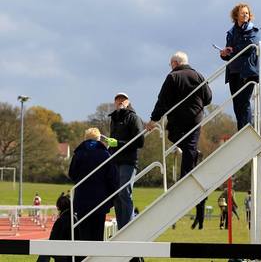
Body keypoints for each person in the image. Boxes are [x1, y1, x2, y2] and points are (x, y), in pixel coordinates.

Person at [146, 51, 212, 178]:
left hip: (178, 119)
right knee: (190, 147)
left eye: (170, 64)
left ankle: (185, 177)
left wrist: (154, 119)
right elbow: (208, 98)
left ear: (175, 63)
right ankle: (191, 163)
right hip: (196, 117)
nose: (170, 67)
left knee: (174, 137)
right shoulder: (199, 76)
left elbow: (162, 100)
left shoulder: (173, 76)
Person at [68, 127, 117, 243]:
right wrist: (112, 196)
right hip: (100, 200)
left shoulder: (78, 153)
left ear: (85, 139)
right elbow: (112, 177)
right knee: (97, 234)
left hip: (82, 200)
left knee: (83, 234)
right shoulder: (105, 154)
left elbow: (72, 173)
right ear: (99, 139)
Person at [220, 3, 261, 130]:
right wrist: (224, 54)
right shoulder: (231, 33)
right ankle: (241, 131)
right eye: (242, 13)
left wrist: (232, 50)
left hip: (248, 72)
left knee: (244, 102)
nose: (245, 15)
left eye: (247, 13)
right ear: (236, 15)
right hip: (233, 72)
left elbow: (250, 47)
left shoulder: (253, 30)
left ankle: (246, 131)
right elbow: (229, 53)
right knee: (236, 103)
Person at [107, 92, 145, 230]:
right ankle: (121, 228)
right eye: (117, 99)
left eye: (123, 99)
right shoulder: (113, 119)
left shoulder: (134, 118)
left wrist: (118, 143)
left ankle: (129, 226)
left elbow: (140, 141)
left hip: (128, 162)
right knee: (116, 195)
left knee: (124, 192)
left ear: (128, 102)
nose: (120, 101)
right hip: (115, 161)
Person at [36, 194, 79, 262]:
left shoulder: (61, 220)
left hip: (63, 253)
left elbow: (52, 238)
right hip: (75, 251)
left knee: (45, 250)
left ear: (58, 207)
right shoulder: (76, 218)